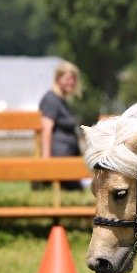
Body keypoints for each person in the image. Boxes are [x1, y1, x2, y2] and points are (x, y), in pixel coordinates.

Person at [39, 61, 84, 190]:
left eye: (74, 79)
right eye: (68, 78)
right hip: (60, 156)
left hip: (69, 155)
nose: (72, 82)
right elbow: (46, 130)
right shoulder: (51, 100)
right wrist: (46, 163)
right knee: (76, 192)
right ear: (58, 78)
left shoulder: (61, 101)